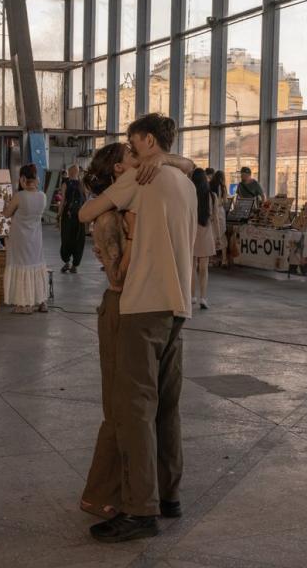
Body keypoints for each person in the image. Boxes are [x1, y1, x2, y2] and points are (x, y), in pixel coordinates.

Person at [78, 113, 196, 543]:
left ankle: (139, 510)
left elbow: (85, 212)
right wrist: (176, 162)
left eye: (131, 148)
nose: (128, 157)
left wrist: (123, 184)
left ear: (146, 142)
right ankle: (169, 495)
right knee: (167, 406)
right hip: (176, 306)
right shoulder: (184, 182)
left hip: (141, 305)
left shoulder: (142, 179)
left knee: (133, 410)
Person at [3, 164, 48, 314]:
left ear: (23, 179)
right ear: (36, 178)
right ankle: (41, 300)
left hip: (20, 238)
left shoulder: (19, 196)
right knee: (35, 265)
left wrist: (4, 202)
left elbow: (7, 214)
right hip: (35, 238)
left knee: (21, 266)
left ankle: (24, 304)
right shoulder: (42, 196)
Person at [190, 168, 216, 309]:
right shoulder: (211, 196)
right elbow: (215, 217)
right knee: (204, 269)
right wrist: (218, 236)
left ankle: (192, 296)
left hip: (192, 233)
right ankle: (203, 298)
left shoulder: (190, 195)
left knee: (192, 267)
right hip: (206, 233)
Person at [58, 165, 86, 273]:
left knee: (72, 238)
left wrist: (59, 214)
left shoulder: (72, 184)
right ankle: (71, 263)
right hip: (74, 215)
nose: (73, 172)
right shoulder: (76, 184)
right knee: (72, 238)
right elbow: (63, 200)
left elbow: (63, 201)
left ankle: (70, 264)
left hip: (73, 216)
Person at [209, 170, 228, 266]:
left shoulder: (209, 185)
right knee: (221, 234)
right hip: (219, 212)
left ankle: (211, 260)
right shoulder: (222, 187)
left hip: (210, 211)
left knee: (212, 235)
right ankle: (224, 259)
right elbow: (225, 201)